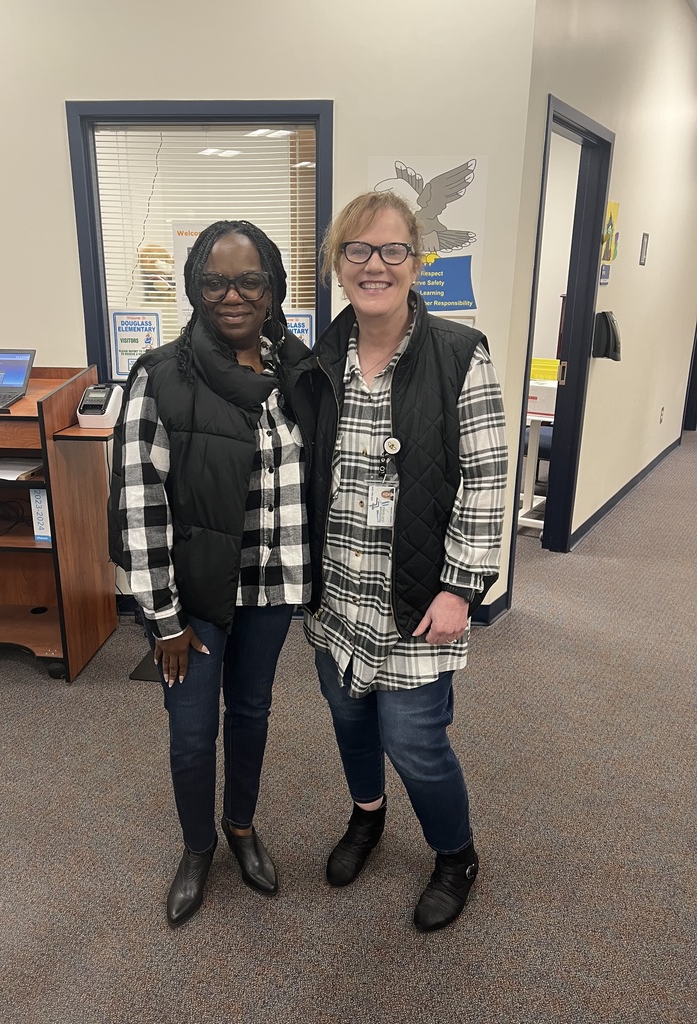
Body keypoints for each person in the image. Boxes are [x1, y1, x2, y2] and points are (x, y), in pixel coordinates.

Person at [304, 191, 507, 932]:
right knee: (348, 719)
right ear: (339, 265)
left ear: (415, 263)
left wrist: (460, 588)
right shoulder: (322, 361)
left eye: (391, 250)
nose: (375, 265)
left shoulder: (459, 353)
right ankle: (367, 818)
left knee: (415, 742)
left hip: (418, 597)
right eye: (357, 251)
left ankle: (456, 856)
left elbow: (487, 477)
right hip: (338, 595)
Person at [109, 220, 316, 928]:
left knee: (252, 713)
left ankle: (242, 827)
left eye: (249, 279)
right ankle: (198, 848)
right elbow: (138, 503)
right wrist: (160, 618)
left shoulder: (296, 372)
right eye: (215, 281)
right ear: (196, 289)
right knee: (193, 731)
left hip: (271, 587)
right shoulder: (161, 374)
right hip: (193, 600)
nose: (233, 295)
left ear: (273, 287)